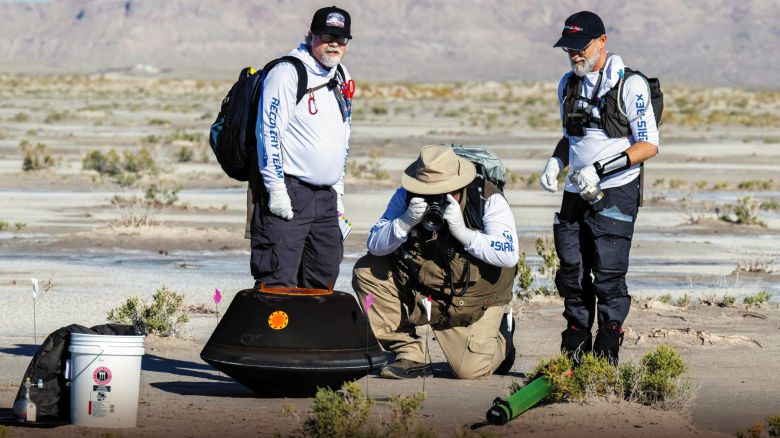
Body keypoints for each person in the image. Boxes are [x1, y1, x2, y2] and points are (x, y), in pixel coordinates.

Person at [540, 11, 659, 365]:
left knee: (607, 275)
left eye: (580, 47)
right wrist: (555, 162)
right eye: (568, 49)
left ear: (602, 41)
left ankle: (606, 352)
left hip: (616, 192)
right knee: (571, 273)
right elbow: (570, 139)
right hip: (576, 192)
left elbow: (648, 145)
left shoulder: (630, 85)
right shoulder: (568, 84)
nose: (574, 54)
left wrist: (600, 169)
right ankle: (574, 347)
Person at [353, 145, 519, 379]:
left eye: (444, 192)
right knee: (367, 270)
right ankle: (410, 353)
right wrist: (404, 222)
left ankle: (503, 336)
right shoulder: (406, 196)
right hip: (426, 289)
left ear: (461, 184)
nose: (435, 199)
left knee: (469, 371)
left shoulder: (487, 199)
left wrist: (465, 233)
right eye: (426, 191)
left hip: (475, 299)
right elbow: (375, 245)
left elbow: (510, 253)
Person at [250, 6, 353, 289]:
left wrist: (338, 192)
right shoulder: (288, 72)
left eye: (341, 39)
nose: (334, 44)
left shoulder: (341, 74)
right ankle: (272, 335)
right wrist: (276, 190)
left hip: (327, 199)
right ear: (311, 35)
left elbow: (343, 135)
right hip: (290, 191)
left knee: (323, 278)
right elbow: (268, 132)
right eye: (326, 36)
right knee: (278, 280)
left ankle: (312, 335)